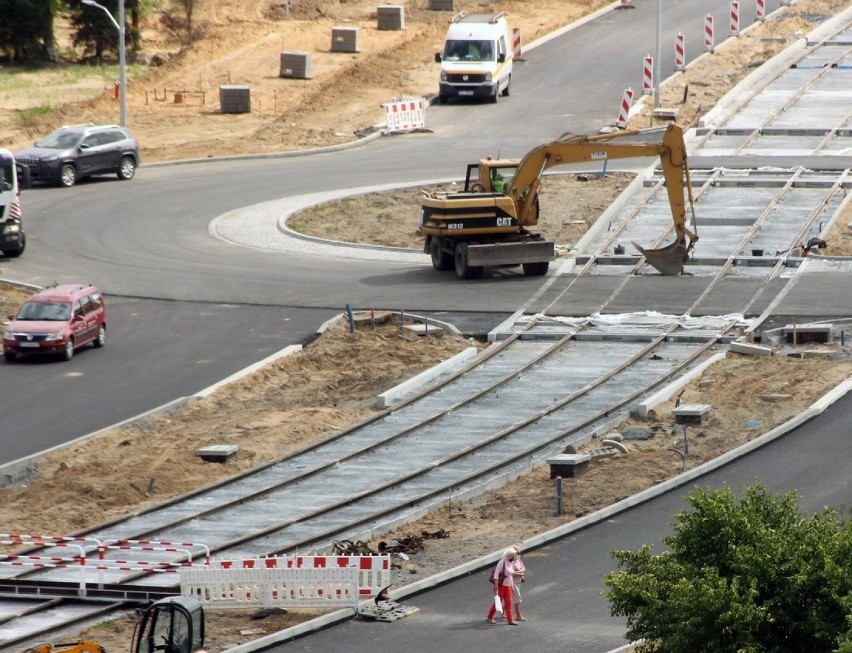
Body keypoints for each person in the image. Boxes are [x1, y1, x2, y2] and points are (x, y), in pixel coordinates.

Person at [486, 547, 522, 625]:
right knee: (497, 603)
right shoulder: (502, 562)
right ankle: (489, 617)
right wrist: (496, 585)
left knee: (508, 603)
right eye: (514, 555)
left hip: (508, 586)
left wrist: (512, 585)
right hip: (501, 586)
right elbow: (496, 573)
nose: (515, 557)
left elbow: (511, 575)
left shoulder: (511, 563)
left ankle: (510, 620)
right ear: (510, 555)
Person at [511, 544, 527, 621]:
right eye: (518, 553)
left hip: (518, 581)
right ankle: (518, 615)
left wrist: (520, 573)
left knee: (510, 598)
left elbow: (524, 568)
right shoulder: (510, 562)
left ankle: (502, 611)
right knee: (517, 598)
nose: (519, 555)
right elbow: (511, 573)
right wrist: (520, 573)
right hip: (512, 583)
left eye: (520, 553)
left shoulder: (518, 560)